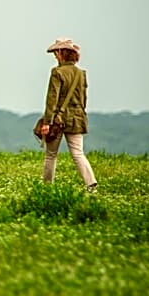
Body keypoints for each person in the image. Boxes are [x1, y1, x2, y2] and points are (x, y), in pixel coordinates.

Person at [38, 38, 98, 192]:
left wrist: (46, 122)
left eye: (55, 53)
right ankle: (91, 184)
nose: (55, 56)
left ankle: (47, 188)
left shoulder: (57, 72)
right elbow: (84, 99)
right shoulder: (81, 74)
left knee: (51, 155)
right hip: (77, 118)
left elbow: (52, 99)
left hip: (58, 119)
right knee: (78, 153)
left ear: (61, 53)